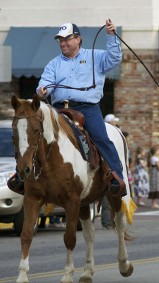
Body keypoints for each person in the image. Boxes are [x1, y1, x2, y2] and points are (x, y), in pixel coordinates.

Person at [35, 20, 125, 197]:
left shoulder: (95, 56)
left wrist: (111, 36)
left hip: (87, 109)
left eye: (67, 39)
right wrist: (42, 90)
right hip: (58, 109)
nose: (63, 43)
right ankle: (25, 177)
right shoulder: (54, 64)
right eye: (60, 40)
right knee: (34, 134)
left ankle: (117, 178)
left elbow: (114, 58)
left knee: (101, 138)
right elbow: (45, 84)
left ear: (78, 39)